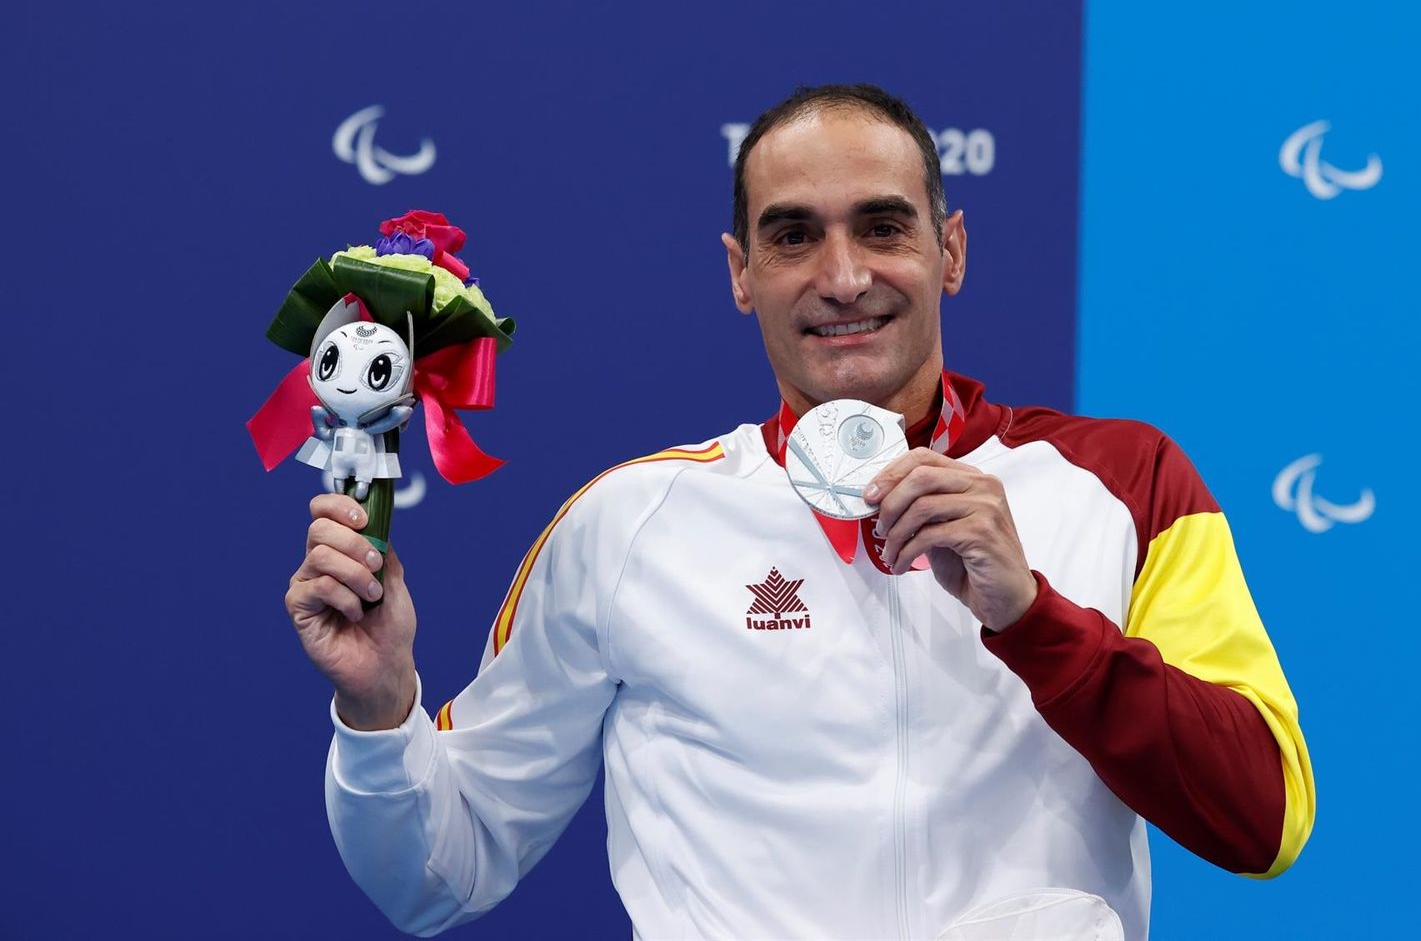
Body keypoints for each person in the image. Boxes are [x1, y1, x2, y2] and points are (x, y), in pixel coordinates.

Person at [287, 84, 1314, 940]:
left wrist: (1037, 623)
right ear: (741, 272)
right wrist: (381, 712)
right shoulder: (629, 522)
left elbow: (1260, 815)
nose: (843, 276)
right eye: (792, 236)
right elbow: (437, 872)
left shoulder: (1123, 480)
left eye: (882, 225)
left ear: (949, 249)